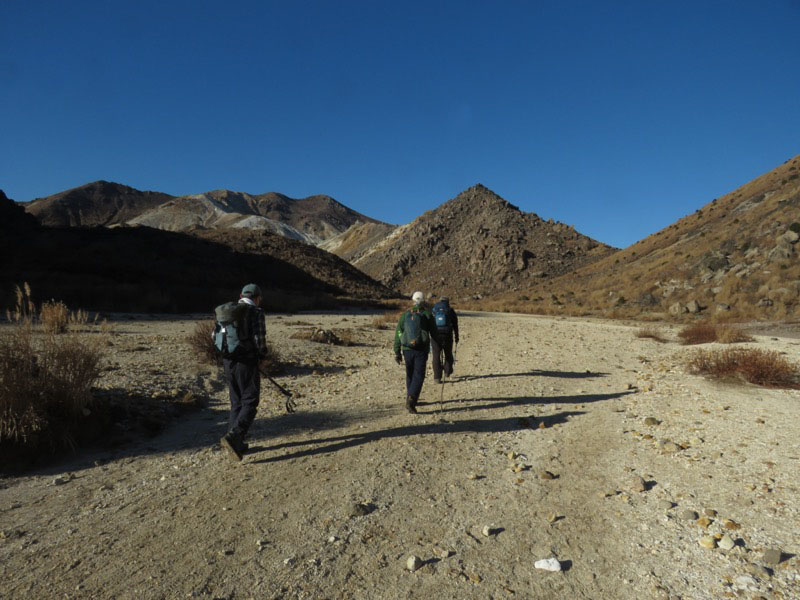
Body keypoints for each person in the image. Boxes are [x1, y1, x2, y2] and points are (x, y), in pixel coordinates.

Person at [220, 283, 267, 461]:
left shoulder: (228, 311)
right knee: (250, 400)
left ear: (241, 295)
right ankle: (235, 436)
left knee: (236, 401)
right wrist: (261, 357)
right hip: (246, 362)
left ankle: (235, 442)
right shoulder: (256, 312)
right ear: (257, 298)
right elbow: (259, 339)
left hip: (227, 360)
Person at [393, 291, 439, 414]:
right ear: (423, 301)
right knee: (419, 375)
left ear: (413, 300)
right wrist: (440, 344)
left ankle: (410, 396)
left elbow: (398, 333)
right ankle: (412, 399)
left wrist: (397, 351)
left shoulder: (405, 314)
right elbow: (434, 332)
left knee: (410, 373)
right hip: (421, 349)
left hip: (406, 349)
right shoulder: (427, 315)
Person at [430, 296, 459, 383]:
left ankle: (437, 377)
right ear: (448, 302)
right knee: (448, 353)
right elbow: (455, 325)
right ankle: (447, 371)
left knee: (436, 355)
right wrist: (456, 336)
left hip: (435, 335)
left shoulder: (434, 310)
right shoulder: (450, 310)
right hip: (447, 335)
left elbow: (430, 322)